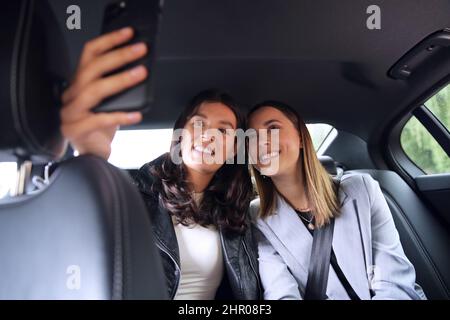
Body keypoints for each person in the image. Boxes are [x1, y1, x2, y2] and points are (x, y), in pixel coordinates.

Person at [60, 27, 262, 300]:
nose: (208, 136)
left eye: (223, 131)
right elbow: (78, 236)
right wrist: (90, 157)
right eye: (199, 123)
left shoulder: (240, 211)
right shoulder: (135, 194)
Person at [246, 100, 426, 300]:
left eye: (273, 128)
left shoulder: (361, 189)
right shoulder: (258, 216)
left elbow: (394, 281)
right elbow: (280, 291)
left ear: (300, 137)